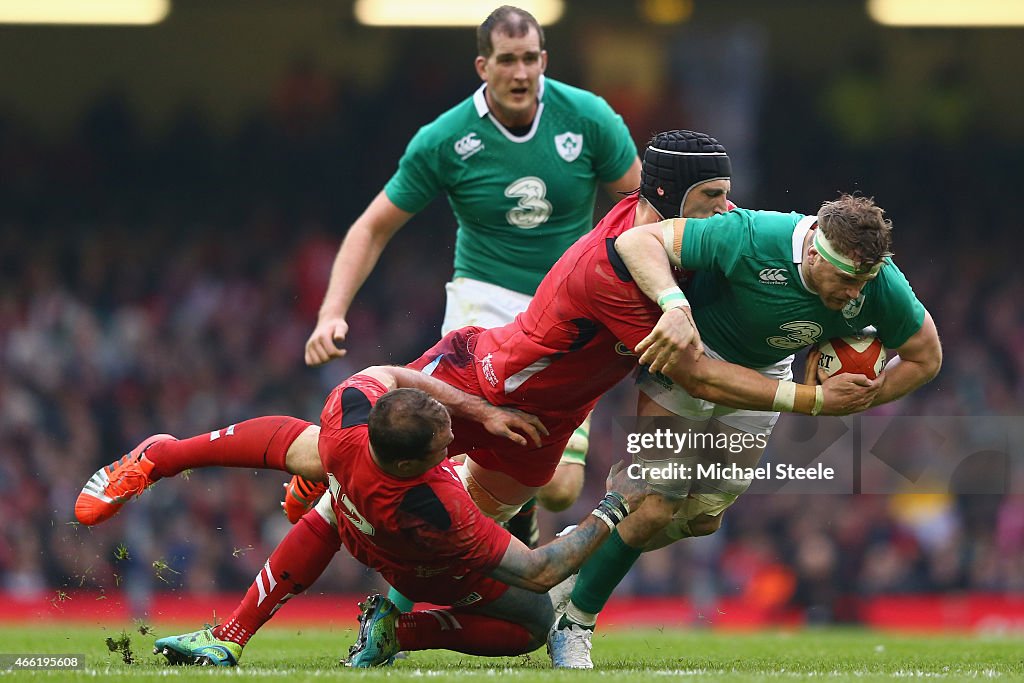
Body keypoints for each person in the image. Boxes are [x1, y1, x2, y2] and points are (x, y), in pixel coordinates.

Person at [545, 193, 943, 668]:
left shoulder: (878, 282)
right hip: (693, 357)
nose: (855, 294)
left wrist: (860, 399)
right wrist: (673, 304)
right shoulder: (751, 236)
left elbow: (926, 356)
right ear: (815, 252)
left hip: (765, 373)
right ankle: (575, 624)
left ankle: (581, 545)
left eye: (864, 282)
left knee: (702, 518)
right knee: (656, 501)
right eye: (845, 280)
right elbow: (638, 240)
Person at [295, 4, 643, 548]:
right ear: (483, 66)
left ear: (544, 60)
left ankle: (510, 518)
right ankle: (393, 561)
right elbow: (372, 227)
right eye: (507, 60)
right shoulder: (445, 138)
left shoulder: (590, 118)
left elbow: (642, 212)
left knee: (557, 488)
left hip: (572, 308)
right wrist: (330, 313)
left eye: (530, 59)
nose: (521, 73)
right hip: (484, 306)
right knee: (447, 450)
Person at [81, 365, 649, 667]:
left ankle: (228, 629)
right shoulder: (441, 508)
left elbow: (389, 372)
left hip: (352, 516)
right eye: (445, 441)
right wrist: (612, 505)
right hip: (422, 567)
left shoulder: (351, 411)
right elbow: (539, 572)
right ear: (413, 461)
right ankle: (402, 628)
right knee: (533, 623)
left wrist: (475, 408)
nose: (456, 439)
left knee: (314, 457)